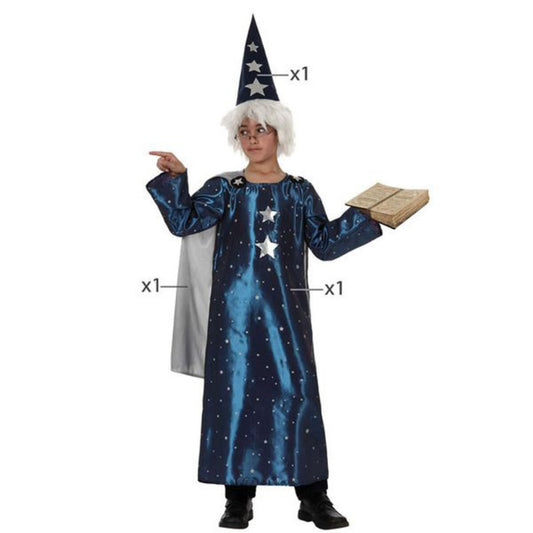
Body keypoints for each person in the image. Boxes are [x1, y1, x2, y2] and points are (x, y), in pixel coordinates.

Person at [145, 16, 383, 530]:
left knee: (297, 394)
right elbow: (184, 221)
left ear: (280, 134)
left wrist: (372, 215)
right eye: (245, 131)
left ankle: (313, 496)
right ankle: (238, 498)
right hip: (232, 319)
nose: (253, 138)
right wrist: (178, 178)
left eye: (262, 129)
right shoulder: (226, 189)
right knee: (235, 398)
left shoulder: (299, 190)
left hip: (286, 316)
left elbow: (325, 244)